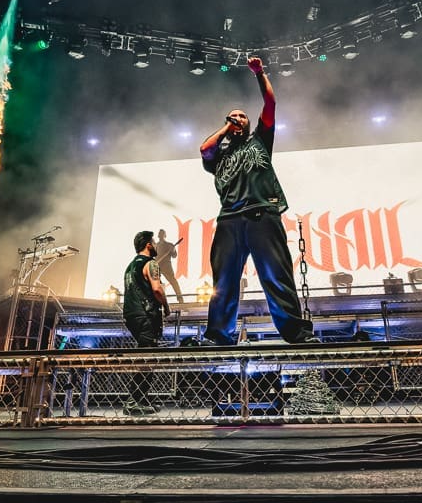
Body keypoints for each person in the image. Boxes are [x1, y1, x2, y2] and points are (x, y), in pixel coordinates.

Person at [198, 56, 318, 346]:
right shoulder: (221, 156)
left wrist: (260, 74)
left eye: (241, 116)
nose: (237, 118)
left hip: (262, 215)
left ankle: (296, 333)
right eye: (232, 116)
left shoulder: (260, 140)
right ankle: (219, 336)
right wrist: (228, 127)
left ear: (250, 123)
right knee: (224, 283)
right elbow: (204, 148)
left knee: (276, 276)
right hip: (229, 220)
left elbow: (271, 104)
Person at [121, 230, 169, 415]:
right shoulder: (151, 263)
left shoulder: (130, 266)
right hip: (146, 315)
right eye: (154, 242)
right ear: (148, 245)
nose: (156, 245)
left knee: (146, 355)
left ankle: (141, 397)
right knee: (147, 357)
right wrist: (166, 306)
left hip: (132, 315)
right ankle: (133, 400)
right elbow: (157, 290)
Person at [153, 228, 184, 303]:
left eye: (162, 233)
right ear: (158, 235)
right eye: (160, 234)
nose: (161, 235)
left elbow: (174, 255)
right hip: (157, 266)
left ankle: (180, 298)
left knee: (173, 281)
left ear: (165, 235)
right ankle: (156, 299)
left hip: (167, 266)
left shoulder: (170, 245)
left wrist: (173, 250)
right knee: (155, 283)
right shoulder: (155, 246)